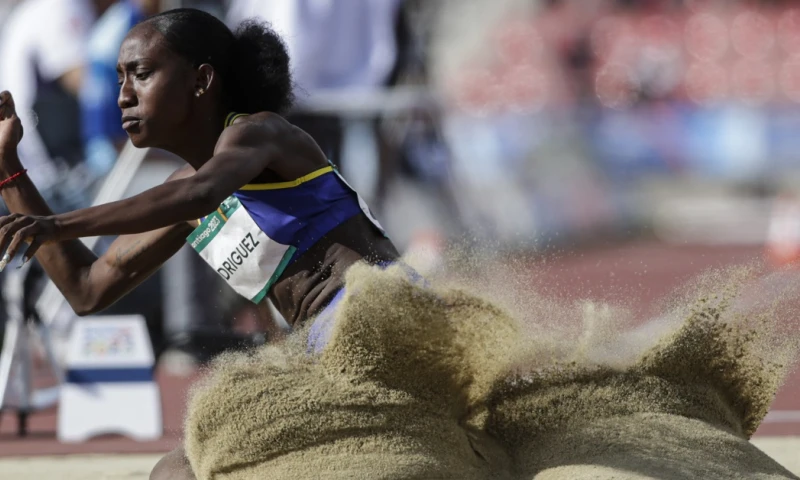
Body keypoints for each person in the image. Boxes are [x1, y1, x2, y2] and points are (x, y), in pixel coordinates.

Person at [0, 8, 400, 477]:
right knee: (176, 473)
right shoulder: (185, 196)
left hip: (380, 323)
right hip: (317, 352)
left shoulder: (261, 132)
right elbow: (87, 289)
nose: (124, 96)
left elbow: (201, 192)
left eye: (142, 75)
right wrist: (8, 167)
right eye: (119, 79)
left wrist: (59, 224)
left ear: (201, 80)